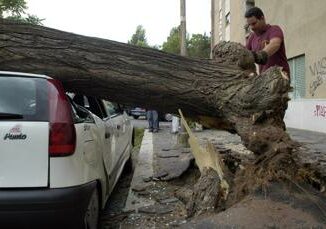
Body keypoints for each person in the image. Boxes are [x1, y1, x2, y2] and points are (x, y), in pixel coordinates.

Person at [245, 7, 290, 77]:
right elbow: (244, 53)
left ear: (262, 18)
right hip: (264, 78)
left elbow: (275, 44)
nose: (251, 27)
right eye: (249, 25)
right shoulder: (252, 37)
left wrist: (260, 56)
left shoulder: (274, 30)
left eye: (254, 23)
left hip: (280, 76)